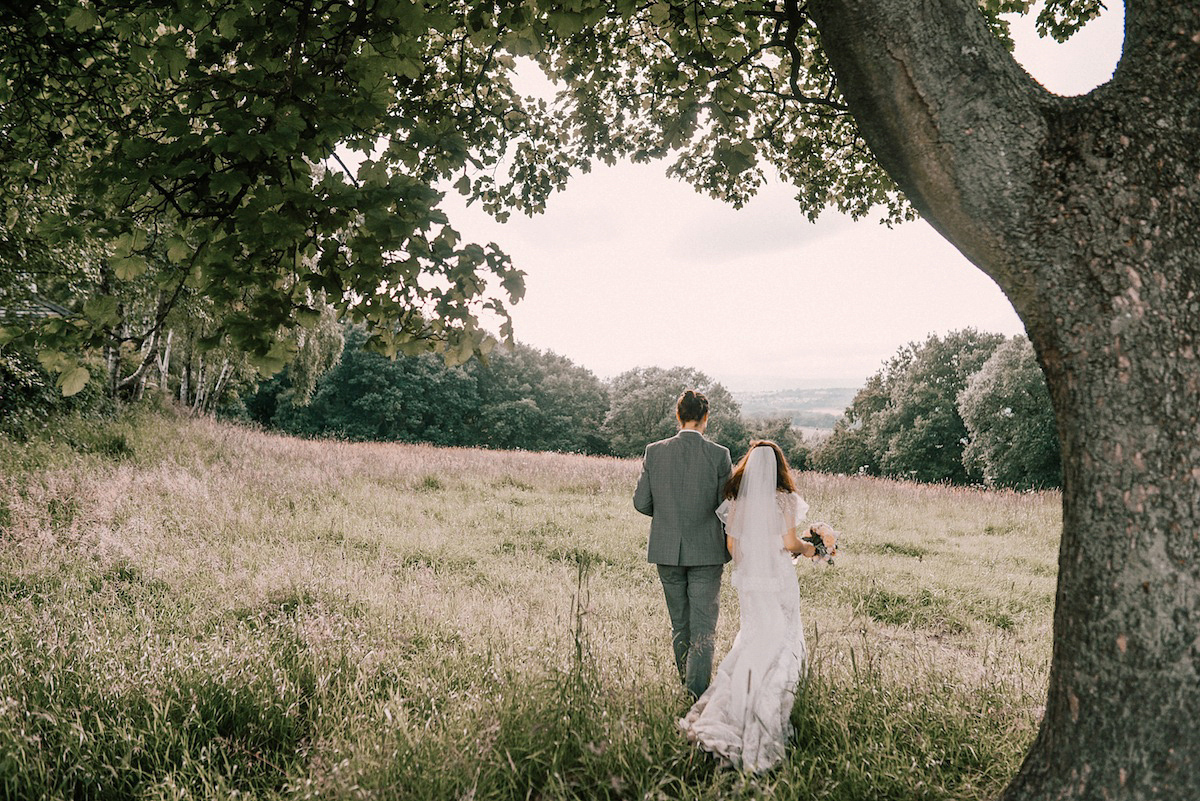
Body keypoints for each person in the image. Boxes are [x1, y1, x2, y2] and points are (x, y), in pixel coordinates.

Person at [678, 440, 816, 773]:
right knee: (782, 637)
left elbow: (732, 546)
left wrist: (752, 566)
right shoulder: (784, 500)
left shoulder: (736, 502)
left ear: (749, 466)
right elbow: (788, 543)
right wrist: (812, 550)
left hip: (749, 582)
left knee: (754, 638)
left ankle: (735, 704)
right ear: (779, 467)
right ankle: (768, 706)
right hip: (779, 578)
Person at [633, 389, 733, 700]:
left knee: (680, 626)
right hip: (707, 551)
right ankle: (697, 697)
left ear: (679, 417)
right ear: (706, 418)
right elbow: (726, 507)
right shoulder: (720, 454)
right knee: (704, 628)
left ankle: (686, 690)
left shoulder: (654, 451)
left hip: (667, 550)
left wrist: (666, 516)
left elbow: (640, 502)